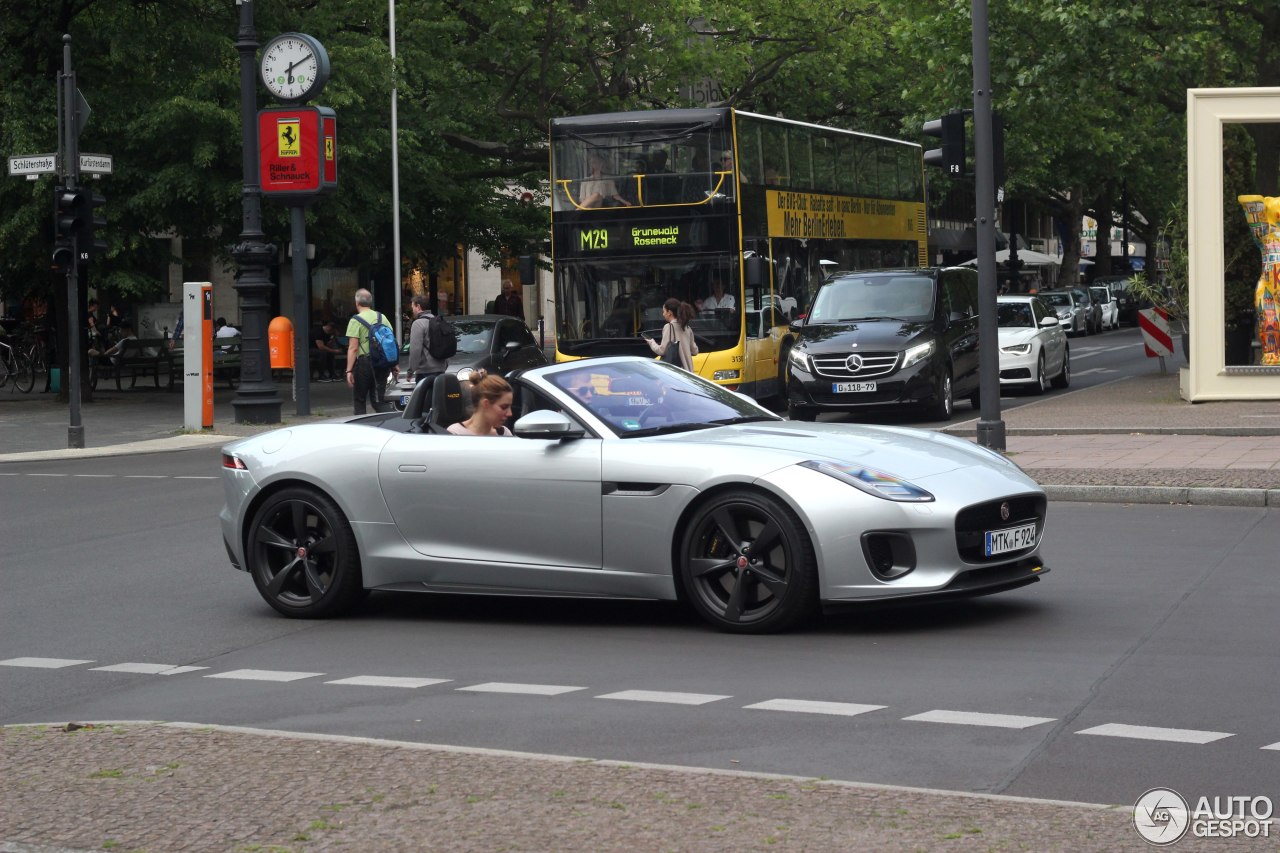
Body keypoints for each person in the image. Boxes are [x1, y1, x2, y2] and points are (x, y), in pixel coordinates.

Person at [345, 288, 398, 414]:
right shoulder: (382, 317)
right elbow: (391, 342)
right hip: (382, 363)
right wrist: (395, 364)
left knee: (360, 399)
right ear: (370, 303)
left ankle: (362, 428)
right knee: (379, 400)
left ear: (357, 302)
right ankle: (388, 423)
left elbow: (353, 348)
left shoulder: (355, 320)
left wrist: (349, 370)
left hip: (364, 363)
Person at [448, 370, 515, 436]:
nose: (510, 413)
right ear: (486, 404)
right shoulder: (454, 434)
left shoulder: (505, 434)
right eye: (504, 407)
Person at [643, 298, 698, 371]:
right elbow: (695, 351)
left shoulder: (669, 327)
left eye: (664, 311)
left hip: (676, 373)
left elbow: (661, 351)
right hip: (688, 373)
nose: (663, 314)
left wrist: (651, 342)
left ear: (669, 312)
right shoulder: (688, 328)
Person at [406, 294, 448, 387]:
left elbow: (415, 350)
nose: (412, 310)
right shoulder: (438, 321)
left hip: (425, 371)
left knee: (424, 400)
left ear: (418, 306)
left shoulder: (418, 323)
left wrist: (410, 371)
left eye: (413, 306)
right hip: (441, 369)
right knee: (436, 399)